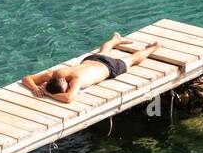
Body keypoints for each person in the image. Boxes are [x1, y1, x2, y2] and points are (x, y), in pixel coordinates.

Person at [21, 32, 160, 103]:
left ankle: (153, 47)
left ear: (63, 82)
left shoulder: (76, 80)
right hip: (90, 61)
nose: (68, 88)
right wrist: (35, 87)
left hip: (108, 67)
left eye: (66, 87)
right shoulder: (56, 73)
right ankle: (115, 39)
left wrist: (48, 94)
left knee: (132, 59)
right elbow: (27, 78)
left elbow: (69, 98)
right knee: (104, 51)